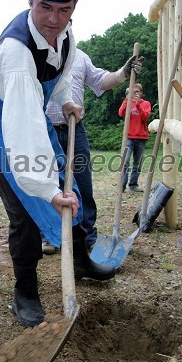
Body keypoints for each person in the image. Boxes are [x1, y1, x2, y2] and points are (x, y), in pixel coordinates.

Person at [0, 0, 116, 329]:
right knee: (25, 207)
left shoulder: (64, 34)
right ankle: (25, 293)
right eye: (45, 8)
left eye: (64, 9)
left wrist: (66, 97)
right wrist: (46, 189)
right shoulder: (16, 54)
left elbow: (61, 74)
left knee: (72, 188)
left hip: (30, 112)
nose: (54, 19)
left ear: (74, 6)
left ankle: (80, 261)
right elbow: (24, 130)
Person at [42, 48, 143, 254]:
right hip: (45, 129)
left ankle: (86, 234)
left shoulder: (79, 56)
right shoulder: (38, 54)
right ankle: (50, 236)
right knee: (49, 183)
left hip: (75, 128)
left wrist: (123, 73)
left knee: (83, 183)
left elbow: (100, 79)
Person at [118, 83, 151, 192]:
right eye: (133, 91)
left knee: (137, 163)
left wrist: (137, 105)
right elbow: (121, 113)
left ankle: (133, 185)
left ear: (141, 93)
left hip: (141, 137)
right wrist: (126, 99)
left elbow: (145, 117)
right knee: (125, 161)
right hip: (129, 137)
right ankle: (122, 186)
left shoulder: (145, 103)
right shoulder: (127, 102)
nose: (135, 93)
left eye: (137, 92)